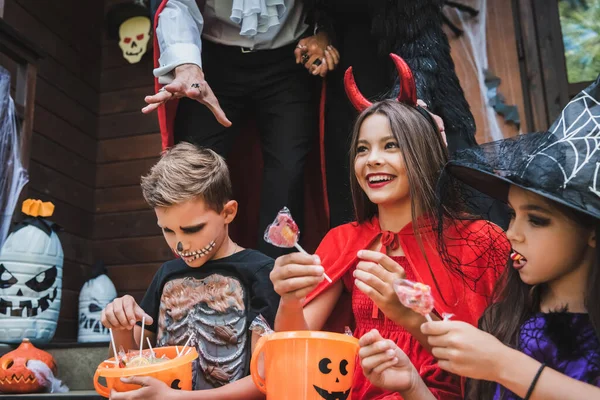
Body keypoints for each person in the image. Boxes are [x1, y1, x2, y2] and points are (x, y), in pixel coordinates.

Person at [269, 56, 509, 399]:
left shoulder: (479, 240)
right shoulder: (344, 239)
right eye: (362, 149)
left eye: (391, 145)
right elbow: (296, 347)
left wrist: (411, 314)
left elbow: (492, 360)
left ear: (423, 151)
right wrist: (289, 300)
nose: (372, 160)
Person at [359, 76, 600, 399]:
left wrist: (503, 364)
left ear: (592, 232)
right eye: (512, 214)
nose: (513, 233)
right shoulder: (503, 321)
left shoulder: (501, 344)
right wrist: (414, 385)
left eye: (538, 220)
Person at [144, 0, 334, 257]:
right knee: (194, 170)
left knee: (288, 171)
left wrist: (325, 30)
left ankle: (274, 281)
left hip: (290, 58)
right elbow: (176, 4)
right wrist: (187, 66)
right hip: (212, 61)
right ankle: (202, 279)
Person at [101, 143, 280, 399]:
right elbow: (126, 369)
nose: (180, 245)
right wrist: (121, 326)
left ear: (228, 212)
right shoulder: (167, 274)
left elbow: (266, 379)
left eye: (192, 229)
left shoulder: (260, 271)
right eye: (167, 230)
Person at [296, 0, 476, 227]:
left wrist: (412, 101)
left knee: (439, 188)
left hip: (415, 76)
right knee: (354, 191)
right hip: (347, 85)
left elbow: (420, 41)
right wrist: (320, 36)